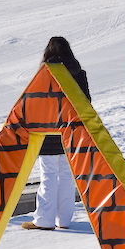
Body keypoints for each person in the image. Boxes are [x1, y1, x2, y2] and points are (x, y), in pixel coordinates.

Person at [22, 37, 90, 230]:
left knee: (49, 175)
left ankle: (43, 220)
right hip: (70, 131)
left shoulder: (44, 74)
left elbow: (33, 102)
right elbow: (86, 102)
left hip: (47, 132)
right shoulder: (79, 73)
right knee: (67, 175)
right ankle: (64, 220)